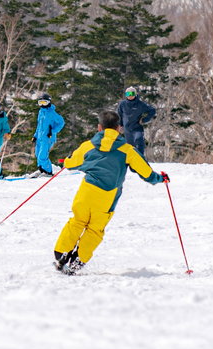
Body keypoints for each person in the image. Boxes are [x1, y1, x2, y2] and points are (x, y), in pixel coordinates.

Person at [53, 109, 166, 275]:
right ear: (119, 128)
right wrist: (160, 178)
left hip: (86, 192)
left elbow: (71, 164)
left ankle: (61, 253)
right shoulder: (128, 150)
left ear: (99, 128)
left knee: (77, 221)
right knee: (95, 229)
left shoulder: (88, 146)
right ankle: (77, 261)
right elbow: (147, 174)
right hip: (107, 196)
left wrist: (66, 161)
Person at [116, 85, 157, 157]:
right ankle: (131, 163)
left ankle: (141, 159)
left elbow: (152, 110)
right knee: (130, 147)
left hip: (137, 128)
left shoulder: (141, 104)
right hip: (127, 129)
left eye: (132, 94)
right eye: (128, 94)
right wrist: (120, 125)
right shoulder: (122, 104)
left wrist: (144, 119)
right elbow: (120, 115)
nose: (130, 96)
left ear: (135, 94)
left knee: (138, 140)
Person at [31, 93, 64, 178]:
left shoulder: (52, 113)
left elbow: (61, 122)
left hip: (48, 137)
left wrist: (53, 131)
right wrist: (35, 135)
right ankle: (42, 170)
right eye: (40, 102)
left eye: (44, 102)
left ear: (49, 102)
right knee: (37, 154)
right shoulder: (41, 112)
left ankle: (48, 172)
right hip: (39, 137)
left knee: (43, 155)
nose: (42, 105)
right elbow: (39, 125)